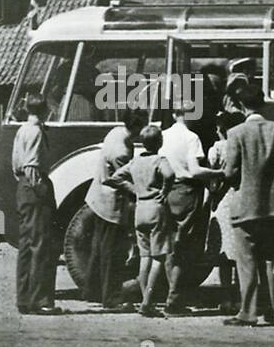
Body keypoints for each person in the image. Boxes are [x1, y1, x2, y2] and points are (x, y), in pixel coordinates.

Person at [222, 83, 274, 326]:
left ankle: (248, 313)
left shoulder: (236, 133)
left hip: (245, 205)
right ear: (262, 103)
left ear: (241, 105)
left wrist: (236, 180)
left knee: (245, 261)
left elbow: (230, 171)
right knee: (270, 260)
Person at [160, 100, 222, 315]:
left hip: (167, 191)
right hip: (187, 191)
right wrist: (217, 173)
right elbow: (195, 171)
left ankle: (169, 293)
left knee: (169, 245)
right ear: (186, 114)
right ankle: (175, 299)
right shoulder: (191, 138)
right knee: (184, 246)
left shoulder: (164, 135)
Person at [83, 108, 146, 310]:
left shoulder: (116, 132)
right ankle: (111, 298)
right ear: (136, 127)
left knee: (99, 246)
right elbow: (120, 179)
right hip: (111, 203)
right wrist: (139, 191)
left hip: (97, 198)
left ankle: (92, 290)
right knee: (113, 251)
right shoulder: (122, 152)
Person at [111, 125, 176, 317]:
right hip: (156, 208)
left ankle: (143, 299)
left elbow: (115, 177)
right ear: (160, 142)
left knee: (145, 257)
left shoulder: (135, 161)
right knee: (159, 257)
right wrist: (165, 190)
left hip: (140, 209)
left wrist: (134, 189)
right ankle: (147, 301)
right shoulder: (160, 159)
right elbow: (170, 174)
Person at [13, 94, 59, 315]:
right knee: (41, 245)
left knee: (26, 245)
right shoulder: (36, 132)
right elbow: (32, 166)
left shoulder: (22, 129)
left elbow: (17, 165)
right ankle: (40, 300)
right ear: (45, 110)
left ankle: (24, 298)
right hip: (35, 187)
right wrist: (41, 191)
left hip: (23, 188)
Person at [206, 110, 244, 312]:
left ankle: (226, 297)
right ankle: (240, 296)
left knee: (223, 252)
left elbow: (213, 176)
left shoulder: (218, 148)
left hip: (222, 201)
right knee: (239, 250)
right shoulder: (243, 145)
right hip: (240, 198)